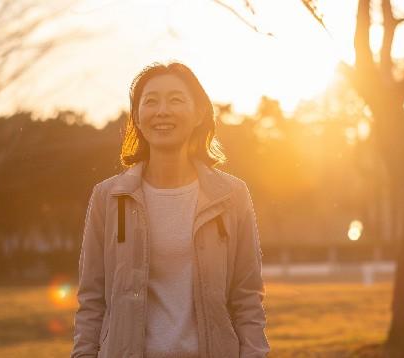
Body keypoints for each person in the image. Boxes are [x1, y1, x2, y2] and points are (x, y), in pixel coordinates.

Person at [71, 61, 269, 358]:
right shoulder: (108, 197)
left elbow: (247, 297)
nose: (162, 111)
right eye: (150, 102)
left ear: (199, 113)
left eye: (176, 99)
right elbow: (92, 300)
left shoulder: (232, 195)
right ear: (137, 116)